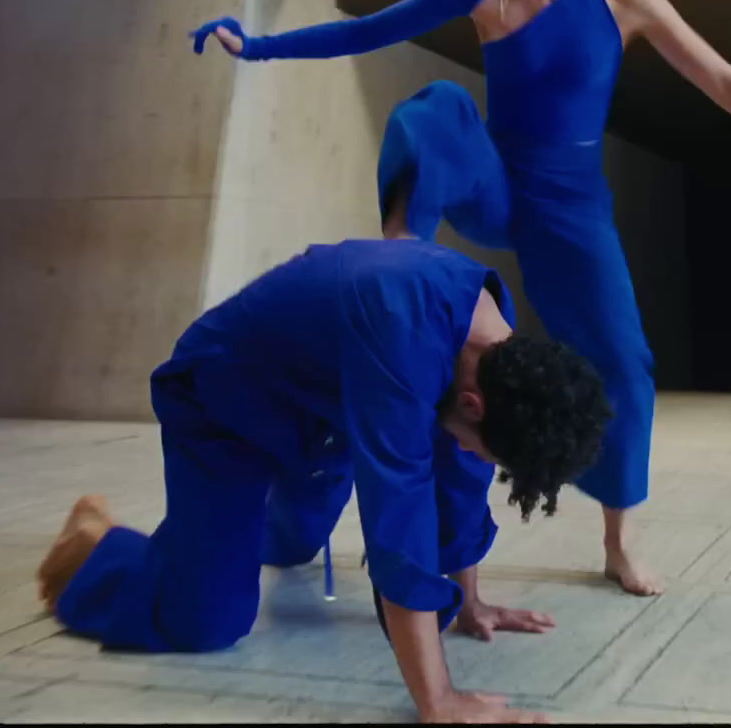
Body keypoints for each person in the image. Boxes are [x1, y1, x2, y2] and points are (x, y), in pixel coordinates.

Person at [190, 0, 731, 595]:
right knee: (440, 110)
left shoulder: (625, 0)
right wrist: (256, 45)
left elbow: (723, 80)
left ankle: (618, 538)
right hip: (497, 184)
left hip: (572, 212)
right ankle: (401, 255)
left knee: (624, 364)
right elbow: (366, 30)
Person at [35, 238, 612, 725]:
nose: (474, 451)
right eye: (480, 440)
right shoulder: (400, 324)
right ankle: (95, 548)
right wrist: (438, 700)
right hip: (226, 406)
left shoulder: (496, 353)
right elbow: (399, 524)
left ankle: (207, 541)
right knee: (206, 619)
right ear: (471, 402)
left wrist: (470, 600)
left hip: (326, 417)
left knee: (289, 544)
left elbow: (461, 476)